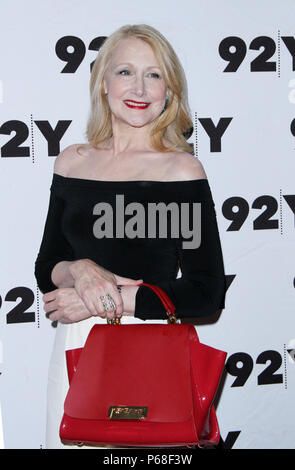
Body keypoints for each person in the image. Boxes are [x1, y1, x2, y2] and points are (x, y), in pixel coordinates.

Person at [35, 24, 226, 449]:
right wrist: (81, 271)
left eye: (154, 74)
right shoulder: (72, 162)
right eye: (125, 71)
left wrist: (108, 298)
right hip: (73, 346)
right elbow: (48, 266)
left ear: (169, 90)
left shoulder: (180, 171)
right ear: (103, 83)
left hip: (146, 347)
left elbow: (205, 291)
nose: (139, 87)